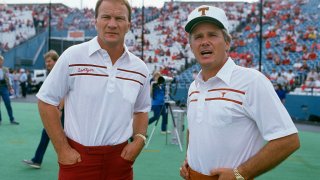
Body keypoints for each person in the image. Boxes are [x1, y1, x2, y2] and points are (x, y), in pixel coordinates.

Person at [180, 5, 300, 180]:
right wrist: (190, 159)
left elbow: (288, 140)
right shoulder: (194, 86)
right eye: (198, 37)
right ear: (191, 46)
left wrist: (241, 173)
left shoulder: (252, 81)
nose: (204, 41)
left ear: (227, 42)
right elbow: (196, 129)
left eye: (212, 35)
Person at [36, 0, 151, 179]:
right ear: (95, 21)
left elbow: (141, 109)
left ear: (129, 25)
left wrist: (139, 140)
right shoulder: (72, 56)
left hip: (120, 162)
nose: (112, 24)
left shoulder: (140, 68)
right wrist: (63, 149)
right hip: (77, 160)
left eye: (119, 18)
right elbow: (46, 101)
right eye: (106, 17)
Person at [22, 50, 62, 169]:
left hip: (62, 111)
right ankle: (37, 160)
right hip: (57, 110)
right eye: (46, 61)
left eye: (49, 61)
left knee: (68, 136)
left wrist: (59, 109)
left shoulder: (59, 72)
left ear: (56, 61)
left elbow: (64, 92)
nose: (47, 64)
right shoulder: (52, 72)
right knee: (46, 133)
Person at [0, 55, 19, 125]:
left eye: (1, 60)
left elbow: (8, 79)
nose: (0, 62)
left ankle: (12, 119)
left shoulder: (5, 69)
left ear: (2, 61)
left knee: (8, 103)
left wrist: (10, 88)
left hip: (4, 87)